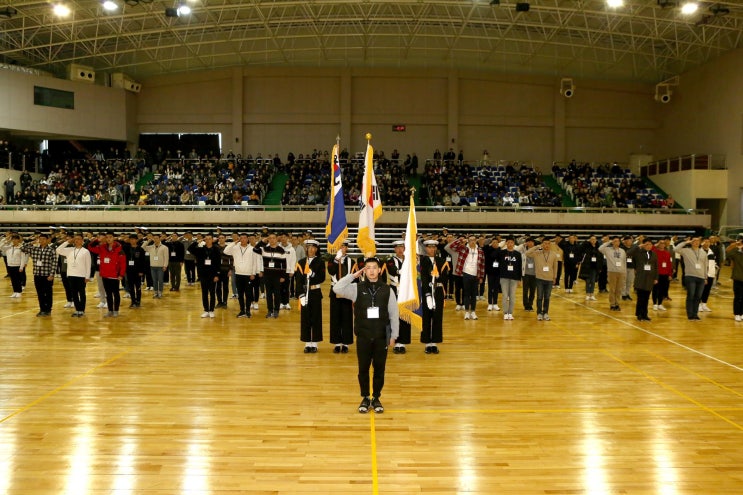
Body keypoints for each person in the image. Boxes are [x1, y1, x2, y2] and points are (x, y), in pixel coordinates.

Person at [333, 257, 399, 414]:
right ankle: (365, 397)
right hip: (363, 336)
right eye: (368, 268)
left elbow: (394, 314)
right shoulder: (357, 288)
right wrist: (352, 276)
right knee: (363, 369)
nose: (371, 270)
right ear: (364, 271)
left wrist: (394, 335)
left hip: (381, 337)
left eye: (374, 267)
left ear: (379, 270)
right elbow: (337, 289)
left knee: (379, 370)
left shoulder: (387, 290)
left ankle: (376, 397)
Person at [295, 239, 326, 353]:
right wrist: (300, 295)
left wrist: (312, 274)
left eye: (314, 247)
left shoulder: (320, 262)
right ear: (306, 248)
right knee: (306, 318)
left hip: (315, 293)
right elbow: (298, 280)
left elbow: (322, 278)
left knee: (316, 318)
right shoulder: (301, 262)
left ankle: (315, 343)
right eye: (309, 247)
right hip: (304, 293)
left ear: (317, 249)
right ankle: (307, 343)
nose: (311, 250)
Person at [420, 239, 450, 354]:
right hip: (427, 291)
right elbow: (423, 278)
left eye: (433, 247)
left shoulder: (441, 261)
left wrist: (438, 277)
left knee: (437, 317)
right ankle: (427, 343)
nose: (431, 249)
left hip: (437, 291)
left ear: (436, 248)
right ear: (426, 248)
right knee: (427, 317)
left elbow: (446, 279)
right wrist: (427, 294)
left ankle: (435, 342)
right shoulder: (423, 261)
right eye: (429, 247)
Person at [87, 232, 127, 317]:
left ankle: (116, 310)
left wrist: (121, 274)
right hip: (105, 275)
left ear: (114, 238)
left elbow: (123, 264)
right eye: (107, 237)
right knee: (108, 294)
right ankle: (110, 310)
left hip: (115, 275)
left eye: (110, 237)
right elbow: (90, 247)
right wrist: (98, 240)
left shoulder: (119, 249)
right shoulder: (102, 248)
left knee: (115, 293)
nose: (108, 239)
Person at [447, 235, 484, 320]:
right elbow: (452, 246)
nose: (472, 241)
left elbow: (482, 265)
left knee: (474, 295)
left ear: (476, 240)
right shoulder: (463, 249)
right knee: (466, 294)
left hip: (475, 275)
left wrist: (481, 277)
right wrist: (460, 240)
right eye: (470, 240)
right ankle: (467, 312)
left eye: (474, 240)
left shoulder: (480, 251)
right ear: (468, 241)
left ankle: (473, 312)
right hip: (466, 274)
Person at [224, 233, 261, 318]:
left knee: (248, 294)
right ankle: (242, 310)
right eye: (241, 238)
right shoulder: (235, 248)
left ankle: (247, 311)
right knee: (240, 294)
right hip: (238, 274)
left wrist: (253, 273)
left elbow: (255, 262)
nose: (243, 240)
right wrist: (235, 242)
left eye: (245, 238)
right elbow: (225, 251)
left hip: (248, 275)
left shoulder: (252, 249)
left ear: (247, 239)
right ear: (239, 239)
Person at [21, 232, 58, 316]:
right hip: (37, 275)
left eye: (43, 239)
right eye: (40, 239)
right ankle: (42, 309)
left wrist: (52, 274)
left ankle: (48, 309)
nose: (41, 241)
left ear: (48, 240)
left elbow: (54, 263)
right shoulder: (34, 249)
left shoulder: (51, 250)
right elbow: (22, 248)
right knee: (40, 293)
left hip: (47, 275)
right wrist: (32, 242)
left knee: (48, 293)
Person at [327, 240, 355, 353]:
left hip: (347, 291)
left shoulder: (352, 262)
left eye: (343, 246)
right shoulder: (331, 260)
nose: (341, 248)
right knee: (335, 317)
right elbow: (331, 271)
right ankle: (337, 343)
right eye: (340, 246)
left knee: (347, 317)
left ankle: (346, 343)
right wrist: (336, 259)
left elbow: (354, 277)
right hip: (335, 291)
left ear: (347, 248)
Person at [55, 233, 92, 317]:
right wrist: (67, 242)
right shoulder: (69, 250)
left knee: (82, 293)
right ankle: (77, 309)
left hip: (81, 276)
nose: (77, 240)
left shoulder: (85, 251)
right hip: (71, 275)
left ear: (82, 240)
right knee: (74, 293)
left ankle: (82, 310)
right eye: (75, 239)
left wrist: (87, 276)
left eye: (79, 239)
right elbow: (58, 250)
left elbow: (88, 265)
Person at [253, 231, 288, 318]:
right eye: (270, 238)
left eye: (273, 238)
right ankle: (270, 310)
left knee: (277, 293)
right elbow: (255, 249)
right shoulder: (264, 249)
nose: (272, 240)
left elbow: (284, 265)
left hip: (277, 276)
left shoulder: (281, 250)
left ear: (276, 239)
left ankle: (276, 310)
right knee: (268, 294)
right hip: (267, 275)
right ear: (268, 239)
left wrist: (283, 276)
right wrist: (262, 241)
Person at [188, 233, 222, 318]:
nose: (208, 240)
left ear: (212, 240)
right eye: (206, 239)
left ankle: (211, 310)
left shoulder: (216, 250)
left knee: (212, 293)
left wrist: (217, 275)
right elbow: (190, 249)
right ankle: (206, 310)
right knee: (204, 293)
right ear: (204, 240)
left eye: (209, 239)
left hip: (213, 274)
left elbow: (218, 263)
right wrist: (197, 241)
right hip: (203, 275)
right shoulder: (200, 249)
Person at [385, 240, 411, 354]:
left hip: (406, 290)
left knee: (405, 315)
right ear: (394, 249)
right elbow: (393, 271)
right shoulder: (390, 261)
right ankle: (394, 341)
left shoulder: (409, 261)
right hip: (394, 289)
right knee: (394, 315)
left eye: (402, 247)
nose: (400, 250)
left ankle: (403, 342)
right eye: (398, 248)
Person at [674, 236, 708, 321]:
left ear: (700, 243)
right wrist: (685, 242)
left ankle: (695, 314)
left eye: (698, 241)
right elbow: (676, 249)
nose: (696, 242)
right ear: (691, 242)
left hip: (701, 277)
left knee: (698, 297)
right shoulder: (686, 251)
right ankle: (690, 315)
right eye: (694, 241)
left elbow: (705, 265)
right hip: (690, 276)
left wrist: (705, 277)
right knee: (691, 295)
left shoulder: (703, 253)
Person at [525, 237, 559, 321]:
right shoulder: (537, 253)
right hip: (539, 278)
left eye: (548, 243)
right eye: (544, 243)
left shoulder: (553, 254)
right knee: (540, 297)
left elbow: (555, 267)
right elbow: (527, 253)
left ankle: (546, 313)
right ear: (542, 244)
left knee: (547, 297)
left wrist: (554, 277)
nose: (546, 245)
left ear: (550, 245)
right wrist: (537, 246)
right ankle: (539, 313)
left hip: (549, 279)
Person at [629, 237, 658, 322]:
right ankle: (639, 314)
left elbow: (656, 267)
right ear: (644, 244)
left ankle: (645, 314)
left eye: (650, 244)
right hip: (641, 278)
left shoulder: (654, 254)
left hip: (650, 279)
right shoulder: (638, 252)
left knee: (646, 297)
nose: (649, 246)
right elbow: (629, 253)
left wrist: (656, 278)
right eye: (647, 244)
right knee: (640, 297)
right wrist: (638, 246)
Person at [598, 236, 627, 311]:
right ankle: (612, 304)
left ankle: (617, 303)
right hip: (612, 272)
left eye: (618, 241)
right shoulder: (608, 250)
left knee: (619, 289)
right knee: (612, 289)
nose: (616, 242)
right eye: (615, 241)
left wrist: (625, 272)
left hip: (621, 272)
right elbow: (600, 248)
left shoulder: (622, 251)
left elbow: (624, 262)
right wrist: (609, 242)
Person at [498, 236, 522, 320]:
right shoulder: (501, 253)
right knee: (505, 295)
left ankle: (510, 313)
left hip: (514, 278)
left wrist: (519, 279)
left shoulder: (517, 254)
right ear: (506, 243)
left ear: (514, 244)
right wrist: (501, 245)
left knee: (512, 296)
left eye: (512, 242)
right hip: (504, 277)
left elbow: (519, 267)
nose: (510, 244)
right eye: (508, 242)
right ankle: (505, 312)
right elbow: (494, 255)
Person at [121, 234, 147, 309]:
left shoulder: (140, 249)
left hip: (138, 271)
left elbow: (143, 261)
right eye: (131, 239)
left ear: (136, 240)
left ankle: (138, 301)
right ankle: (133, 301)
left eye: (134, 239)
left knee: (138, 287)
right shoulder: (126, 248)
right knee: (131, 287)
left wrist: (141, 271)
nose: (132, 241)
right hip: (129, 271)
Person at [1, 233, 27, 298]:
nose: (14, 241)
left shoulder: (21, 248)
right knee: (13, 280)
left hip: (17, 266)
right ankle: (15, 291)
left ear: (18, 240)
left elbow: (23, 258)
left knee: (18, 280)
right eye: (13, 239)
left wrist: (21, 267)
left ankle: (19, 292)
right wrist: (6, 240)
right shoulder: (8, 248)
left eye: (16, 239)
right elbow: (0, 246)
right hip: (10, 266)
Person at [144, 234, 169, 299]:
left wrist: (165, 266)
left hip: (160, 266)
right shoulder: (150, 247)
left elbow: (166, 258)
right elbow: (142, 247)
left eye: (157, 238)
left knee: (160, 280)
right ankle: (155, 292)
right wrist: (148, 241)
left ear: (159, 239)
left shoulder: (164, 247)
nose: (155, 239)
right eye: (154, 238)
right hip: (152, 266)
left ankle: (160, 292)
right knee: (154, 280)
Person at [725, 235, 743, 321]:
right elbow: (728, 253)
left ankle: (742, 313)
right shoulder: (737, 253)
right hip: (738, 278)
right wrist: (736, 246)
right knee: (738, 297)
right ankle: (736, 314)